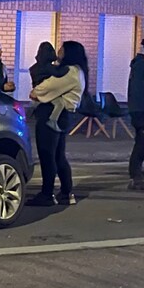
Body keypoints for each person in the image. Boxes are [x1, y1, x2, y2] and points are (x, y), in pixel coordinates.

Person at [28, 40, 88, 206]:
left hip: (52, 114)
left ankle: (47, 194)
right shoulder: (79, 71)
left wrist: (35, 92)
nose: (58, 50)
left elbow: (47, 86)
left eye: (62, 48)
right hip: (64, 116)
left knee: (47, 154)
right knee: (59, 155)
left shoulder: (69, 72)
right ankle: (66, 192)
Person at [28, 41, 65, 132]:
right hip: (47, 92)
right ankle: (53, 121)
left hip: (37, 92)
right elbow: (60, 75)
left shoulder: (34, 67)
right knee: (60, 103)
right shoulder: (49, 67)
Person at [129, 36, 144, 191]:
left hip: (138, 110)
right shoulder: (141, 66)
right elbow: (139, 93)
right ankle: (136, 177)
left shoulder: (138, 65)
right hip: (141, 111)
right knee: (141, 145)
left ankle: (137, 176)